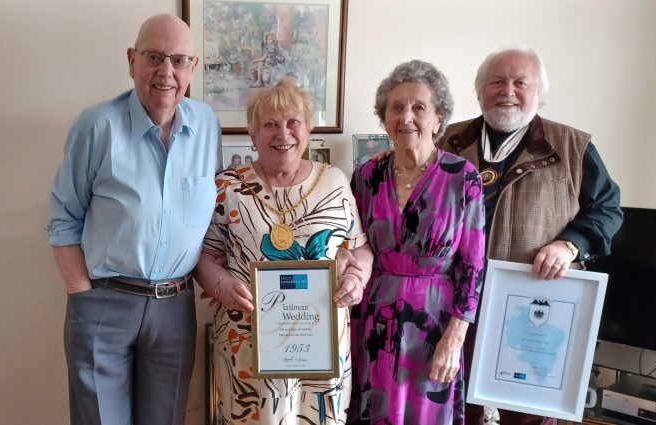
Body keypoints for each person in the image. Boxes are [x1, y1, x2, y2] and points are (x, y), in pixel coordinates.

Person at [46, 14, 221, 425]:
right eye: (154, 57)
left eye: (179, 60)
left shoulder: (207, 125)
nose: (166, 72)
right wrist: (82, 292)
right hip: (104, 302)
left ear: (193, 68)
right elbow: (62, 217)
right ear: (131, 60)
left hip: (174, 308)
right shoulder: (95, 126)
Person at [437, 47, 623, 425]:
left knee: (528, 417)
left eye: (521, 82)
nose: (508, 90)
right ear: (480, 91)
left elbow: (607, 209)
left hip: (531, 306)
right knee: (454, 408)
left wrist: (570, 244)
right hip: (451, 303)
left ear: (539, 91)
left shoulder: (573, 146)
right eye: (497, 81)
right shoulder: (446, 141)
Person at [194, 78, 374, 424]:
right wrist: (222, 287)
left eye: (294, 122)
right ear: (253, 134)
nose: (284, 133)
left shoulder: (334, 181)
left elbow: (360, 247)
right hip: (246, 341)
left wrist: (357, 277)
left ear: (307, 128)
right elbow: (205, 257)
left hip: (321, 344)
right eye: (270, 124)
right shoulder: (227, 186)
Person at [347, 60, 486, 424]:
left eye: (419, 107)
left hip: (434, 324)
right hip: (374, 323)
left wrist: (455, 338)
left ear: (438, 119)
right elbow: (351, 246)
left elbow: (473, 266)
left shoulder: (463, 178)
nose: (406, 117)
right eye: (396, 107)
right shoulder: (366, 175)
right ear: (384, 119)